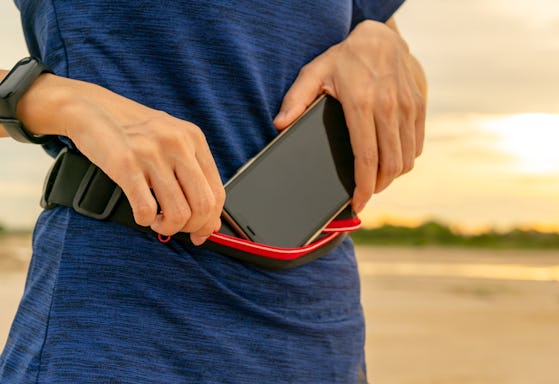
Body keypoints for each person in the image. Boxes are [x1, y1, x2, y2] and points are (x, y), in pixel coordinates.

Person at [0, 0, 426, 382]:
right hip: (127, 316)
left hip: (321, 324)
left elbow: (397, 74)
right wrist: (51, 99)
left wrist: (386, 47)